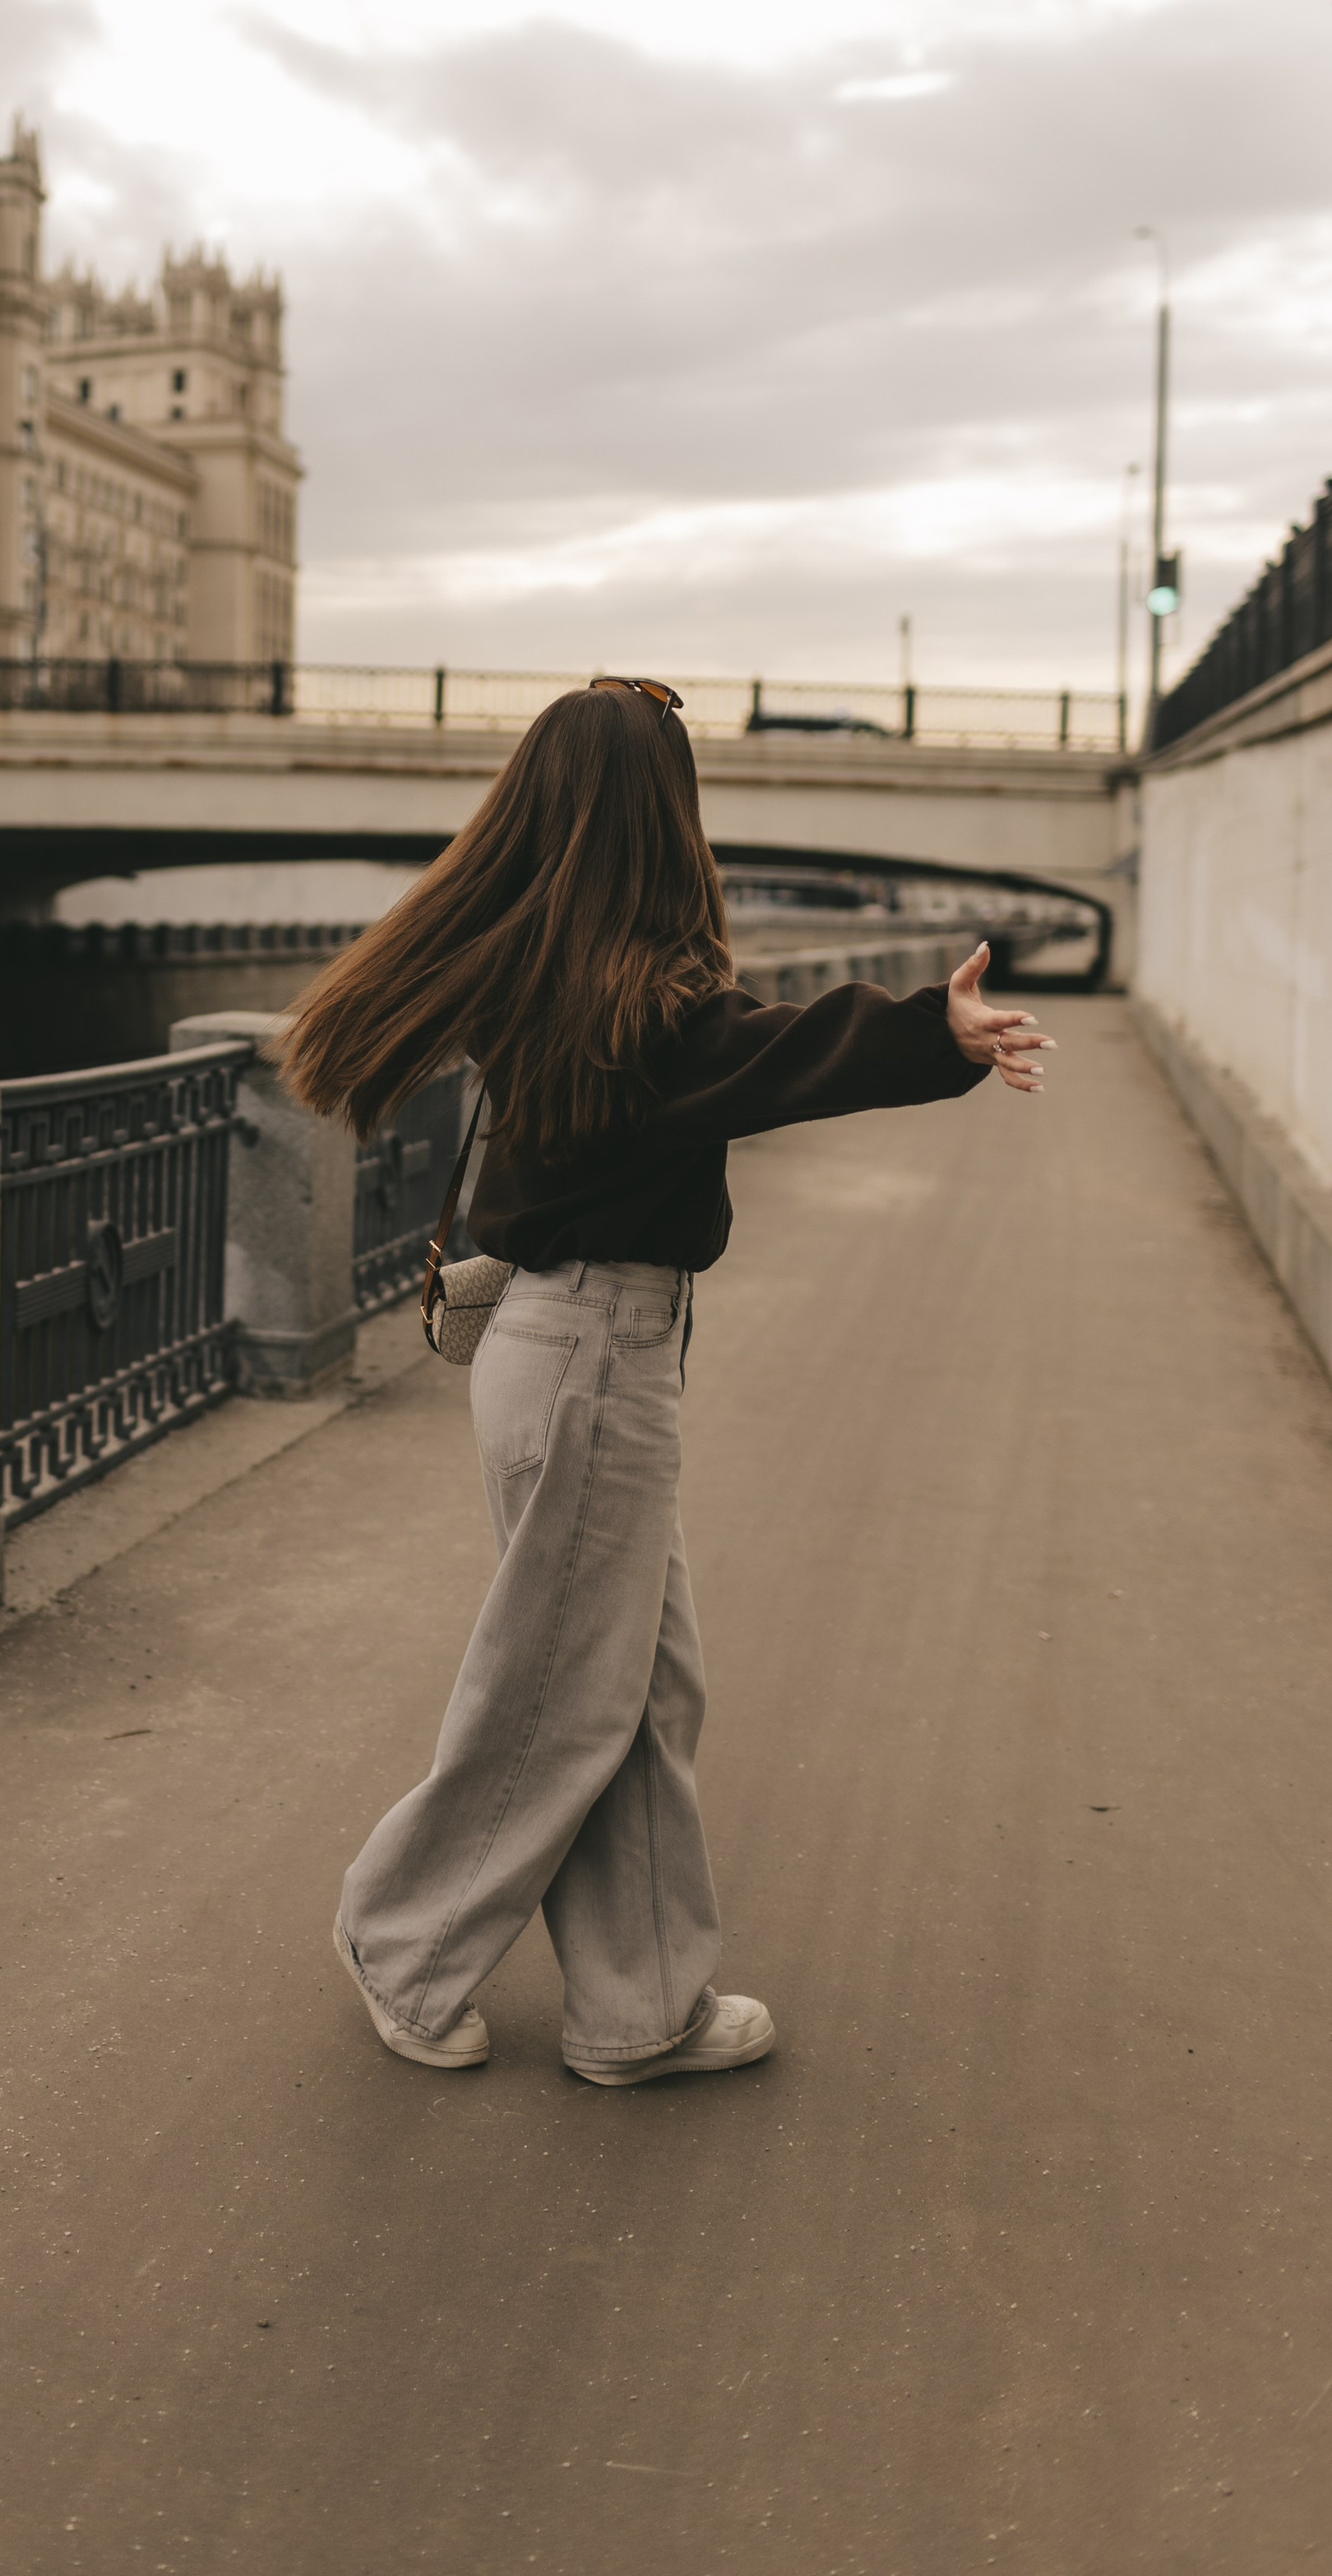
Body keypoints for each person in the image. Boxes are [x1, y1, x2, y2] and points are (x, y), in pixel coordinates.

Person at [280, 677, 1053, 2088]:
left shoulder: (549, 978)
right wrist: (923, 1036)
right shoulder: (625, 1006)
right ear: (662, 818)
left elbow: (735, 1054)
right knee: (564, 1694)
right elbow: (758, 1056)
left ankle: (636, 2007)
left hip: (564, 1359)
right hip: (587, 1364)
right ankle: (405, 1942)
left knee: (637, 1683)